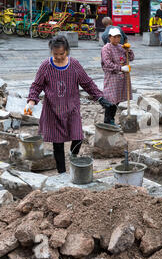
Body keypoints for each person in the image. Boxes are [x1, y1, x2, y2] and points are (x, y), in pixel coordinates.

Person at [25, 35, 113, 175]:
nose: (59, 57)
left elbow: (87, 83)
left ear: (67, 51)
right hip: (52, 111)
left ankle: (73, 157)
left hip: (72, 108)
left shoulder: (74, 65)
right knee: (58, 144)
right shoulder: (45, 66)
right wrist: (31, 101)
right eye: (56, 54)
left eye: (62, 53)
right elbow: (36, 85)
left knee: (78, 137)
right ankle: (62, 173)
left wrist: (100, 97)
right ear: (51, 52)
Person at [101, 28, 135, 125]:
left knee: (117, 99)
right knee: (110, 98)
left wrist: (129, 50)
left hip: (122, 78)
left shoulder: (121, 47)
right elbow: (107, 63)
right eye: (114, 37)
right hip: (112, 77)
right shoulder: (106, 48)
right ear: (110, 37)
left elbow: (131, 58)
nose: (117, 39)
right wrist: (121, 68)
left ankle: (112, 119)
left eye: (118, 37)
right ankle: (107, 120)